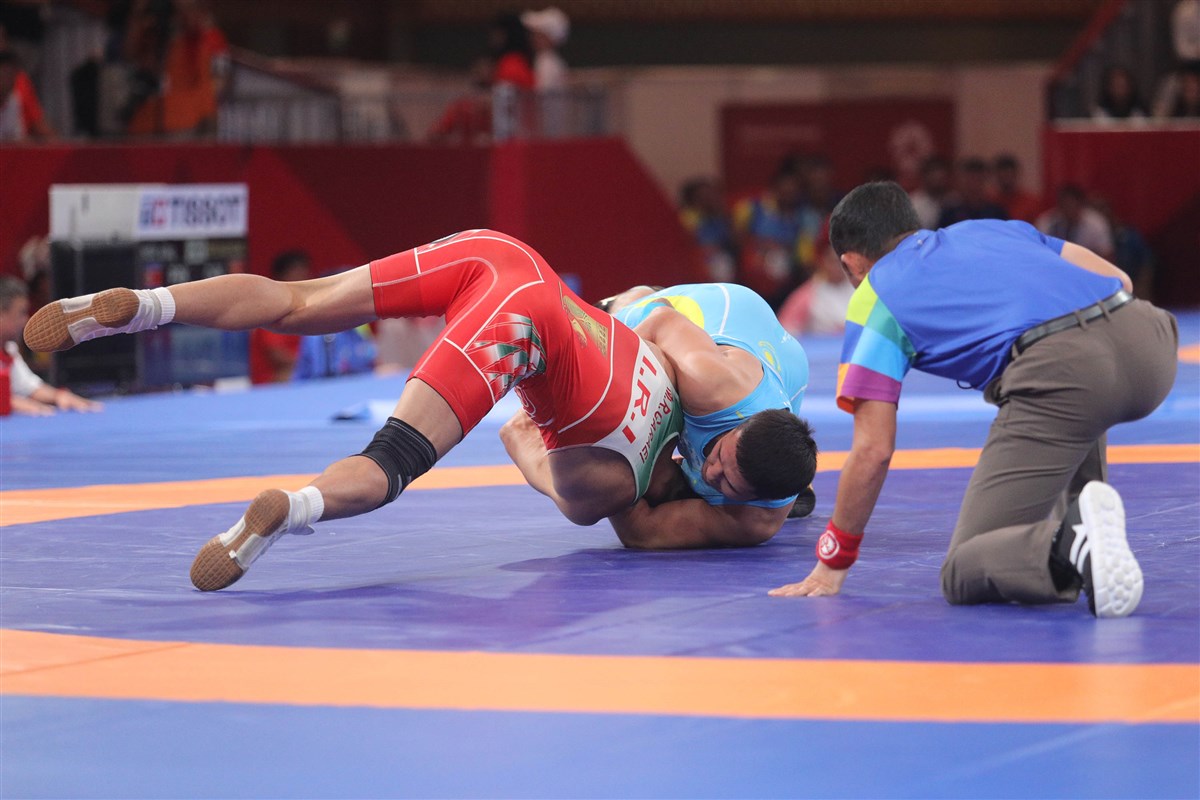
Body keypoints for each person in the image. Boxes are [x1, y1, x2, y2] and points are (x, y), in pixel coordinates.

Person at [25, 230, 812, 592]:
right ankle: (295, 506)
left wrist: (603, 312)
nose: (710, 473)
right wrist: (526, 440)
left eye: (718, 481)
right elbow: (626, 521)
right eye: (718, 463)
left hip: (509, 258)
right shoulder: (612, 481)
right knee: (393, 459)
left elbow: (647, 314)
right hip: (526, 329)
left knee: (300, 300)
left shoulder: (695, 412)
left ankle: (147, 305)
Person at [769, 182, 1178, 619]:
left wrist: (835, 560)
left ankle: (1072, 541)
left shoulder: (875, 295)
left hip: (1067, 376)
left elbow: (873, 449)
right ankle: (1085, 538)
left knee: (965, 567)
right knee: (1071, 379)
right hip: (1152, 342)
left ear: (851, 263)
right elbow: (1120, 281)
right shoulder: (991, 229)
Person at [552, 282, 817, 545]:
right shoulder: (709, 382)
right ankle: (636, 296)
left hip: (790, 370)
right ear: (740, 427)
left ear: (758, 499)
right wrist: (614, 386)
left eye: (729, 484)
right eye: (719, 455)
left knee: (638, 483)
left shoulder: (755, 520)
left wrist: (616, 483)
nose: (710, 472)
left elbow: (641, 532)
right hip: (725, 309)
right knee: (619, 347)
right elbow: (661, 320)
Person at [0, 277, 100, 416]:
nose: (25, 320)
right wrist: (12, 403)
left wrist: (59, 396)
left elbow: (30, 387)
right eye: (21, 313)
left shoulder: (10, 349)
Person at [248, 250, 313, 384]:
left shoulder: (304, 307)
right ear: (283, 276)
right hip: (271, 383)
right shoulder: (272, 309)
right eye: (297, 272)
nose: (304, 278)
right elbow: (278, 356)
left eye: (305, 272)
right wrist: (312, 364)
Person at [1036, 184, 1114, 259]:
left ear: (1081, 205)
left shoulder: (1096, 224)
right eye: (1065, 205)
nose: (1069, 210)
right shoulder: (1046, 222)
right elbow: (1037, 251)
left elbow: (1107, 255)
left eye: (1072, 205)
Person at [0, 48, 53, 142]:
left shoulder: (14, 100)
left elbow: (17, 139)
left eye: (11, 75)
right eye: (4, 75)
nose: (8, 80)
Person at [991, 153, 1041, 224]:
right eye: (1003, 176)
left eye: (1009, 175)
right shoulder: (991, 202)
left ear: (1016, 175)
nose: (1006, 179)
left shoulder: (1031, 203)